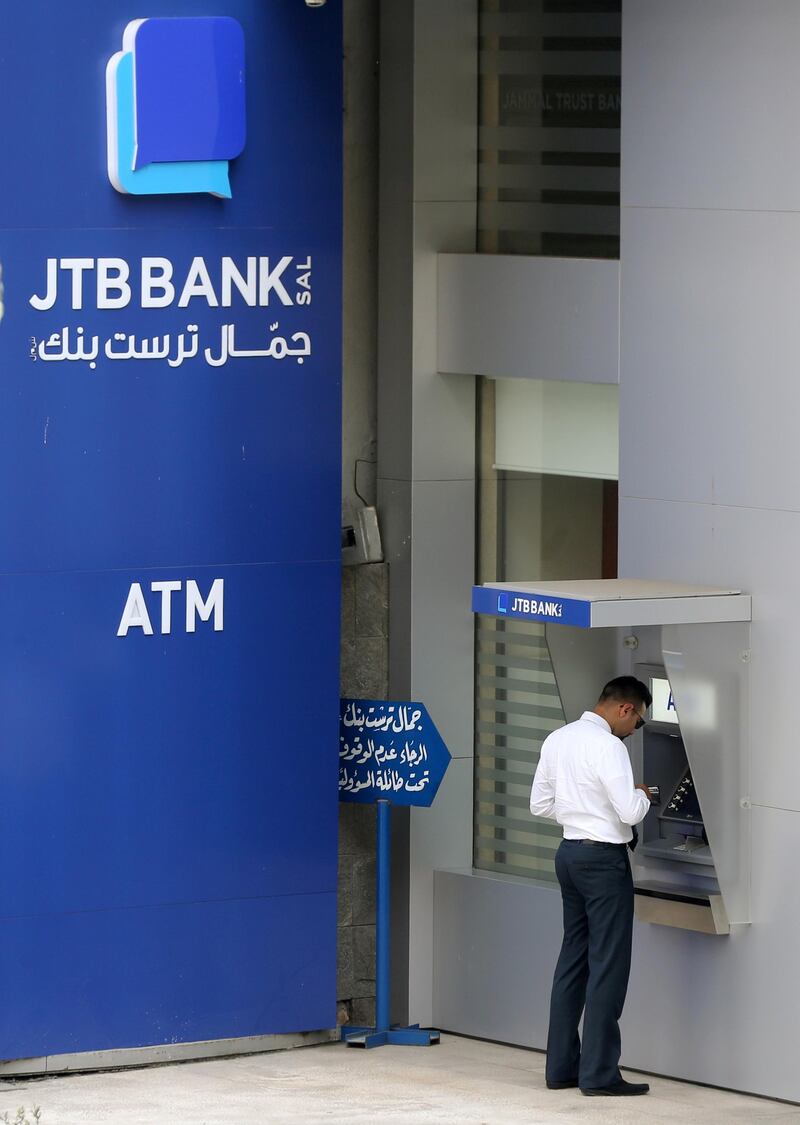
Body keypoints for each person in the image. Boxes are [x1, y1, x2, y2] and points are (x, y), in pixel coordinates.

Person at [530, 676, 654, 1097]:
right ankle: (600, 1073)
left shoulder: (558, 738)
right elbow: (630, 811)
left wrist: (580, 814)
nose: (634, 730)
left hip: (568, 854)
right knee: (608, 965)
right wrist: (644, 795)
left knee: (573, 960)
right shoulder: (609, 747)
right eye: (637, 721)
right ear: (625, 709)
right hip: (603, 861)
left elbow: (539, 804)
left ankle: (562, 1068)